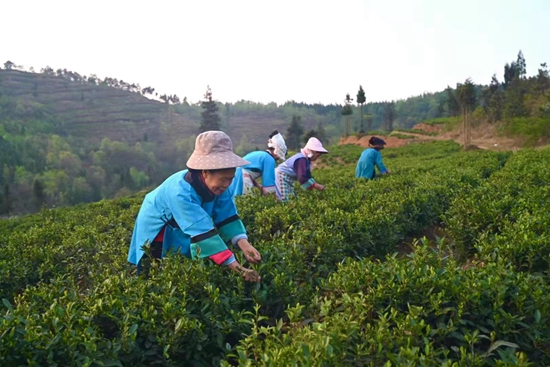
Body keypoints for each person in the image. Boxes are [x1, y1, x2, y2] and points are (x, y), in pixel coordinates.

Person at [127, 131, 262, 282]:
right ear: (205, 172)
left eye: (231, 179)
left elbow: (227, 216)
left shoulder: (223, 186)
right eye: (223, 179)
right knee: (158, 270)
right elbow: (202, 231)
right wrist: (239, 269)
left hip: (185, 224)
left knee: (188, 263)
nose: (227, 184)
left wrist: (245, 245)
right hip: (160, 226)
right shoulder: (181, 192)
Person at [231, 130, 287, 197]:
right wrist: (273, 198)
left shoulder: (260, 154)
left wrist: (258, 186)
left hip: (235, 175)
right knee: (246, 200)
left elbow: (249, 171)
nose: (277, 159)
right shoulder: (269, 159)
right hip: (243, 177)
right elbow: (268, 182)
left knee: (237, 200)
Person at [275, 137, 328, 202]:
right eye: (317, 155)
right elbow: (302, 178)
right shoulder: (301, 159)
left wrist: (315, 185)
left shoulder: (306, 160)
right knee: (285, 199)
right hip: (281, 176)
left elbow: (308, 176)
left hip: (287, 178)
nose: (317, 158)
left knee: (291, 198)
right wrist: (317, 186)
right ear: (311, 152)